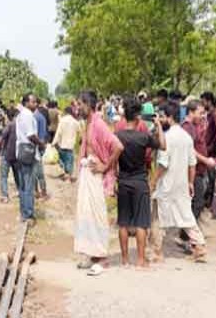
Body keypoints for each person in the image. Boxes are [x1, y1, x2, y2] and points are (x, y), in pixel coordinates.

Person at [150, 101, 207, 262]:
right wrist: (190, 182)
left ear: (169, 118)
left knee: (158, 218)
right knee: (186, 216)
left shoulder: (167, 138)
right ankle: (200, 246)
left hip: (167, 184)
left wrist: (153, 181)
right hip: (181, 184)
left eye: (162, 116)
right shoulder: (187, 137)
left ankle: (157, 251)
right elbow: (192, 163)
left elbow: (163, 164)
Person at [75, 91, 124, 276]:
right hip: (88, 173)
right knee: (86, 214)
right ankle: (92, 255)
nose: (78, 107)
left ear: (88, 104)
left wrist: (104, 166)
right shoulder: (87, 123)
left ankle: (102, 258)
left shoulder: (99, 124)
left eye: (80, 104)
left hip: (96, 176)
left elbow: (118, 146)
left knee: (97, 215)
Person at [116, 97, 165, 268]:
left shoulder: (118, 136)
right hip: (140, 182)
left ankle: (124, 260)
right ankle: (140, 260)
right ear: (138, 117)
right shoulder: (144, 137)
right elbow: (163, 146)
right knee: (141, 223)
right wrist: (158, 125)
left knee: (123, 222)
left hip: (123, 182)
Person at [181, 100, 214, 219]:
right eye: (200, 113)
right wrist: (206, 160)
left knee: (197, 201)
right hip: (192, 172)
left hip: (198, 170)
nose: (202, 116)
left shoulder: (194, 126)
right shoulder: (187, 127)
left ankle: (188, 232)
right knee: (197, 202)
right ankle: (188, 233)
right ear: (191, 112)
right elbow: (190, 151)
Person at [15, 93, 45, 222]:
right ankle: (28, 213)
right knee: (28, 184)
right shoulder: (27, 115)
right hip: (28, 151)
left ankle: (23, 211)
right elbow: (31, 135)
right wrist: (41, 143)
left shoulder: (21, 115)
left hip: (21, 150)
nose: (36, 104)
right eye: (33, 102)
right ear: (26, 103)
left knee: (22, 184)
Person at [51, 106, 81, 183]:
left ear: (65, 112)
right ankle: (68, 176)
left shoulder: (62, 121)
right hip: (70, 145)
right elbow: (80, 131)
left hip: (62, 145)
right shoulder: (75, 122)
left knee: (63, 160)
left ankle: (66, 175)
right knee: (70, 161)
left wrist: (53, 143)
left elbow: (58, 133)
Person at [0, 108, 20, 203]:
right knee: (17, 175)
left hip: (6, 154)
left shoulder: (9, 125)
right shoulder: (21, 125)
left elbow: (1, 139)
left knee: (3, 176)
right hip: (17, 155)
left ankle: (5, 196)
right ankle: (20, 191)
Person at [201, 92, 216, 206]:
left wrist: (211, 146)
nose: (203, 104)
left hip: (211, 150)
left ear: (208, 101)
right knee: (208, 175)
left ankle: (211, 199)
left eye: (203, 101)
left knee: (212, 175)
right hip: (206, 148)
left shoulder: (214, 115)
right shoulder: (208, 115)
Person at [33, 105, 49, 199]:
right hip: (38, 147)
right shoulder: (41, 118)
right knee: (39, 172)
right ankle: (43, 192)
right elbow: (42, 135)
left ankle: (37, 191)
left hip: (33, 148)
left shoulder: (33, 117)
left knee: (35, 171)